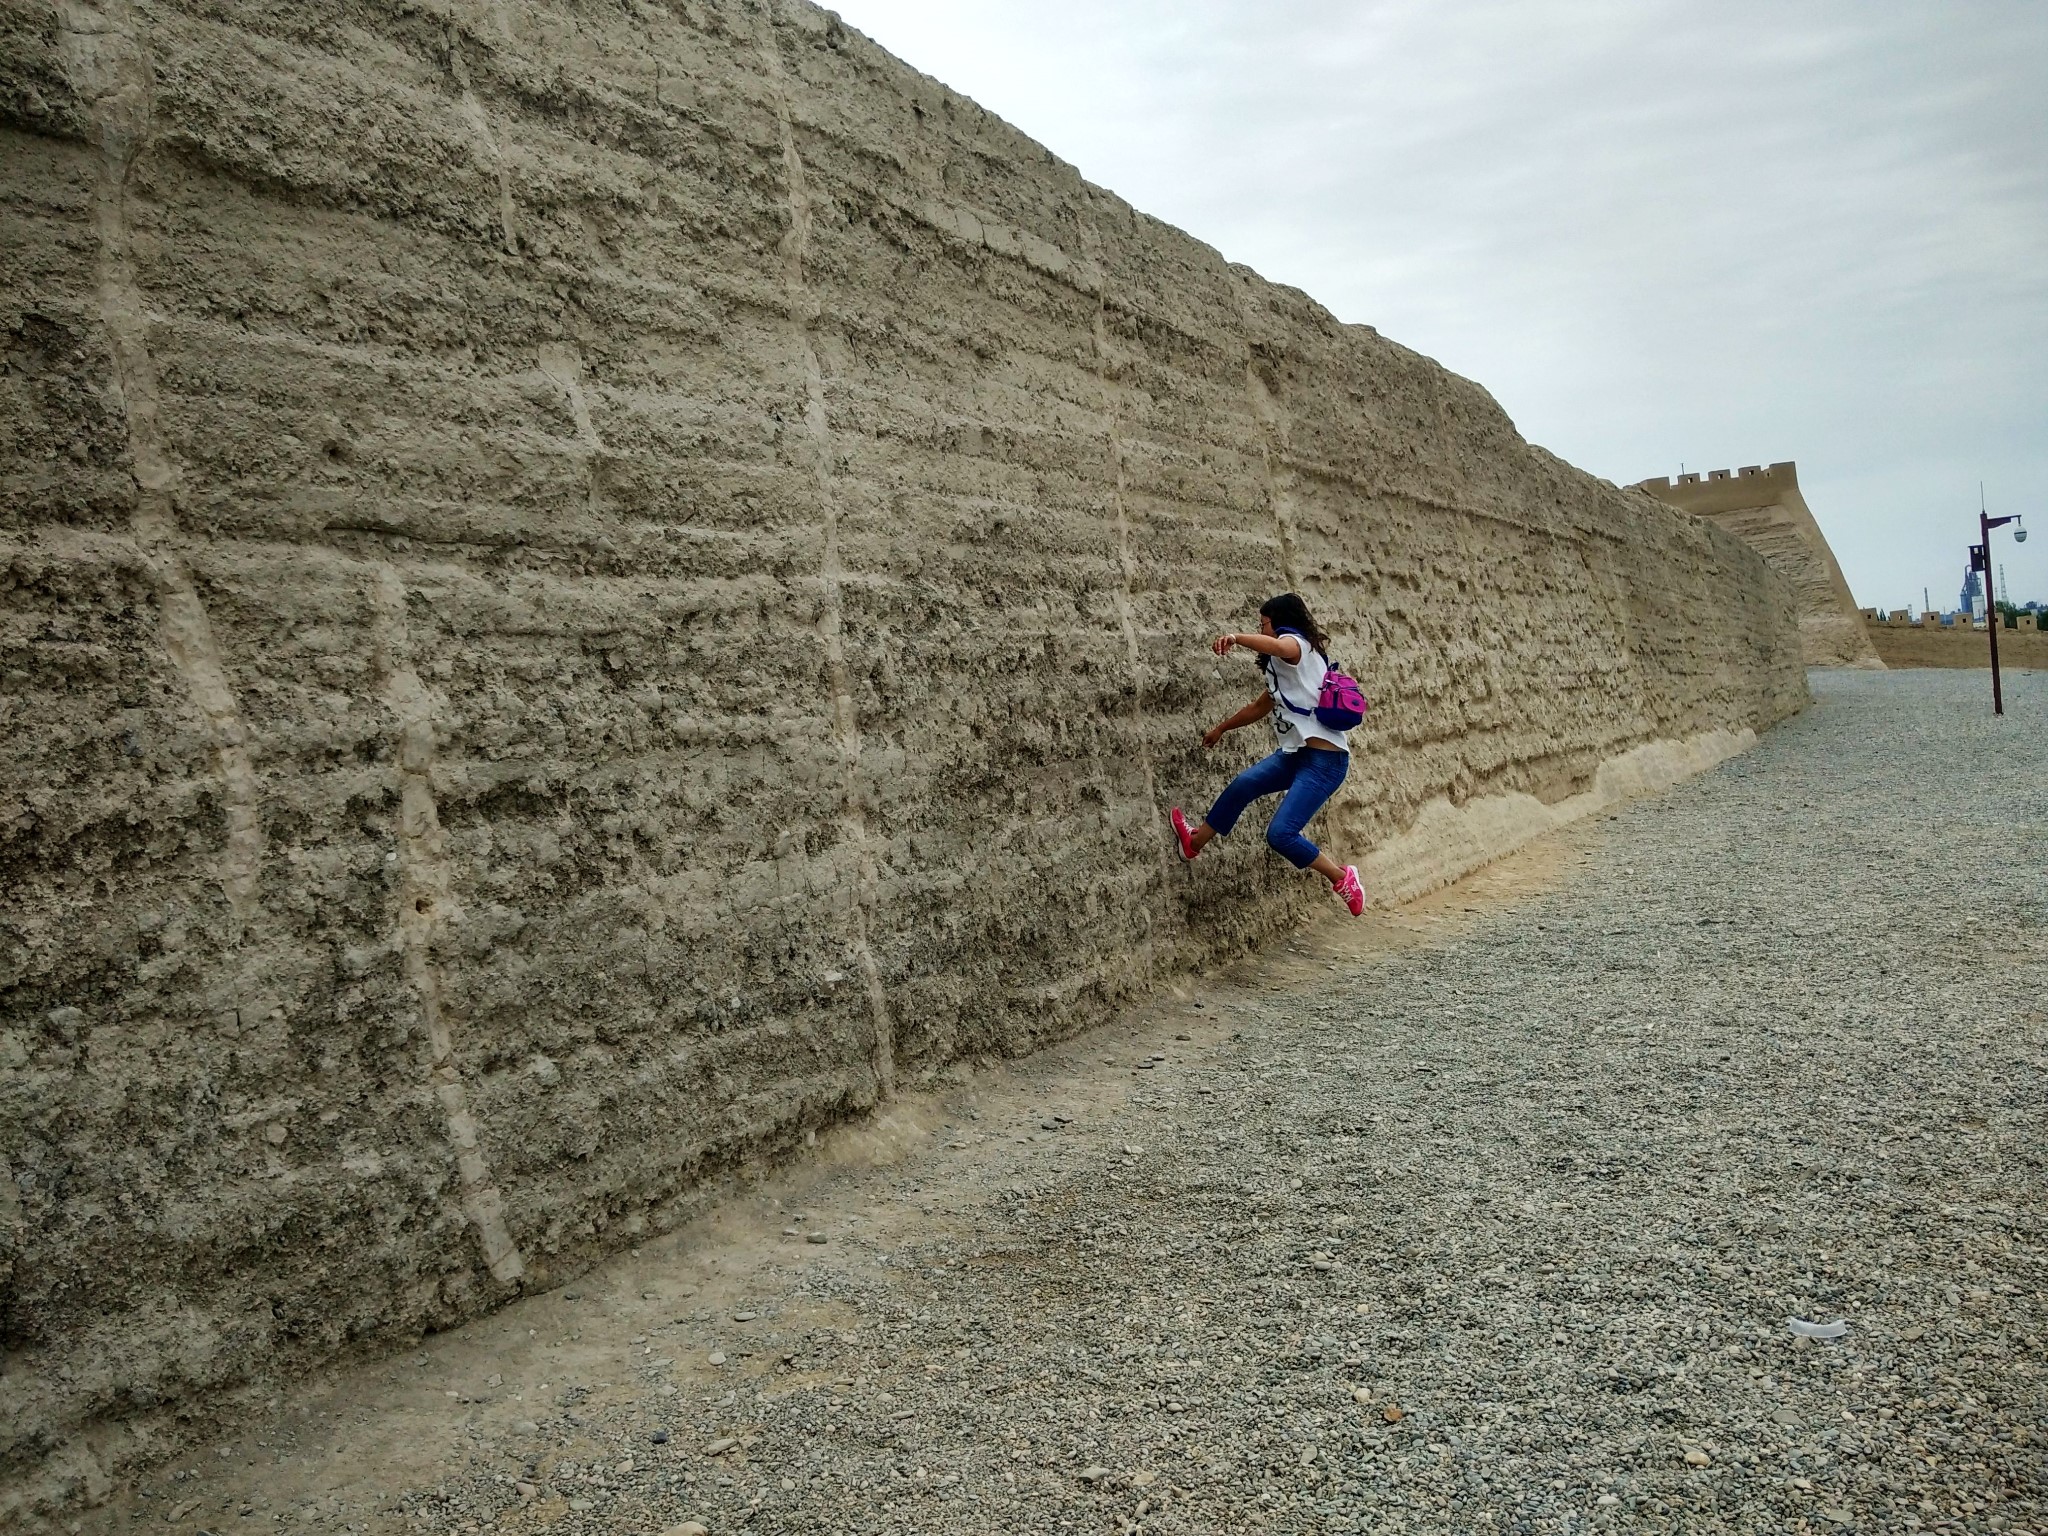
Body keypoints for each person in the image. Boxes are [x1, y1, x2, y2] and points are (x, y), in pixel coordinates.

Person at [1170, 593, 1366, 916]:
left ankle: (1342, 877)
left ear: (1281, 624)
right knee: (1243, 785)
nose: (1262, 630)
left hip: (1326, 764)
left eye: (1264, 625)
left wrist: (1236, 638)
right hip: (1297, 756)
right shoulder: (1284, 672)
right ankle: (1193, 843)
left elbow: (1278, 646)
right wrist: (1221, 728)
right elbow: (1258, 708)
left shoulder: (1298, 647)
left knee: (1280, 834)